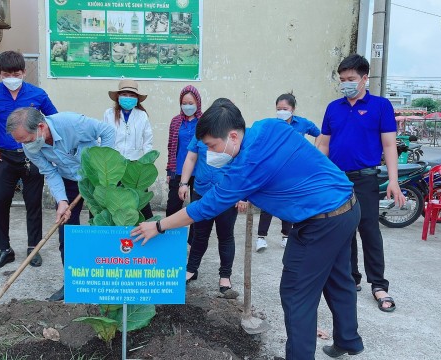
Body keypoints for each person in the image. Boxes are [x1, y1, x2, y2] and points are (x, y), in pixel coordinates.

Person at [132, 99, 364, 359]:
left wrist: (159, 225)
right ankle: (348, 340)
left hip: (319, 223)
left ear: (232, 136)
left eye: (212, 146)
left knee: (296, 292)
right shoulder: (269, 127)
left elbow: (204, 208)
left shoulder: (246, 167)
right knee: (339, 278)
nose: (209, 154)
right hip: (348, 206)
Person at [318, 54, 405, 313]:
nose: (346, 84)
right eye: (342, 79)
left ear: (365, 78)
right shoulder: (334, 107)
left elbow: (389, 145)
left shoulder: (380, 106)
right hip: (337, 181)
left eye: (351, 79)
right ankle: (351, 278)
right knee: (344, 231)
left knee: (369, 231)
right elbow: (323, 143)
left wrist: (393, 181)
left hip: (366, 179)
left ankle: (378, 285)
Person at [6, 107, 115, 301]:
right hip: (68, 180)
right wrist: (62, 201)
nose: (24, 145)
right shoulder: (29, 146)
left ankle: (103, 281)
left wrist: (103, 165)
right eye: (20, 142)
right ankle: (72, 282)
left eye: (27, 140)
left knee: (100, 226)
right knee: (66, 230)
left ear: (41, 127)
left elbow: (107, 132)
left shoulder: (72, 123)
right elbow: (50, 172)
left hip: (96, 179)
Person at [0, 51, 58, 271]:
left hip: (33, 156)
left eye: (16, 73)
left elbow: (54, 119)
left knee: (33, 203)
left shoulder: (37, 94)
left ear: (24, 72)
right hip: (4, 156)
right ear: (0, 73)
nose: (12, 77)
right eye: (6, 73)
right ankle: (4, 249)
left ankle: (33, 248)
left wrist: (45, 144)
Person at [178, 99, 247, 295]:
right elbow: (191, 157)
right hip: (201, 191)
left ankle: (225, 276)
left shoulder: (234, 140)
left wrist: (242, 196)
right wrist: (184, 183)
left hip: (227, 195)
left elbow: (245, 170)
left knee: (225, 236)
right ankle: (191, 270)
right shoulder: (202, 133)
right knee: (199, 234)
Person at [256, 93, 321, 252]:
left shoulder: (303, 124)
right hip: (274, 169)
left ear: (293, 109)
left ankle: (286, 236)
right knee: (268, 204)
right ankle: (261, 238)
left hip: (294, 171)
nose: (281, 112)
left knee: (289, 202)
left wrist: (315, 151)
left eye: (285, 109)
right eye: (278, 109)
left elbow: (319, 134)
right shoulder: (272, 125)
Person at [103, 79, 154, 219]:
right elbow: (103, 138)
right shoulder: (109, 114)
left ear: (137, 99)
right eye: (124, 94)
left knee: (141, 201)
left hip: (135, 165)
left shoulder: (142, 115)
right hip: (115, 165)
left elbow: (148, 141)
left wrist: (145, 164)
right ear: (118, 97)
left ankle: (149, 229)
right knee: (116, 201)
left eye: (132, 95)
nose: (128, 98)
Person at [166, 85, 203, 244]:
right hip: (178, 170)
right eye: (184, 103)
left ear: (198, 103)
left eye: (191, 103)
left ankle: (191, 242)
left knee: (196, 209)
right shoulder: (175, 122)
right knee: (173, 206)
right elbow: (171, 146)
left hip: (199, 171)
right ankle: (171, 239)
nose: (188, 106)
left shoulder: (204, 122)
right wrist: (169, 170)